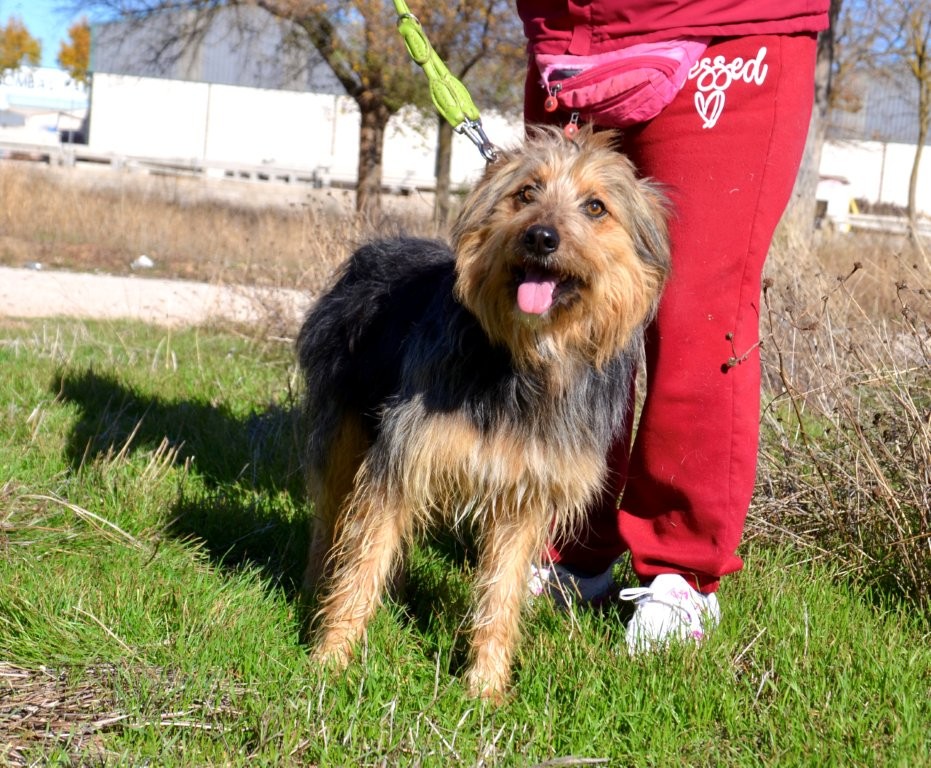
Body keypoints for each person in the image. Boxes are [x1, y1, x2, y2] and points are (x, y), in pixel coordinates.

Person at [517, 0, 831, 652]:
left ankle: (680, 570)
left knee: (696, 313)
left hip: (727, 27)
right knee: (561, 303)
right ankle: (571, 545)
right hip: (571, 39)